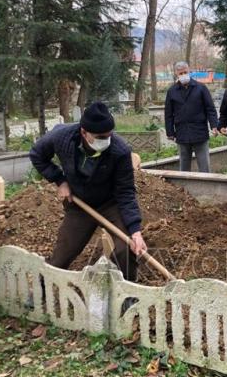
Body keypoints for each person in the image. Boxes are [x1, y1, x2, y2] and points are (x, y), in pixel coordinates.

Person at [29, 101, 146, 281]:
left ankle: (126, 291)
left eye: (109, 135)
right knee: (62, 254)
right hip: (80, 204)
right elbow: (37, 155)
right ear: (84, 132)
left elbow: (126, 192)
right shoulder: (62, 137)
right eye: (100, 136)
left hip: (110, 203)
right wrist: (60, 181)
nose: (106, 140)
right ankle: (41, 289)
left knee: (126, 247)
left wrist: (135, 231)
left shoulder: (119, 150)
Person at [164, 61, 219, 172]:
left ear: (189, 71)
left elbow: (210, 109)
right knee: (184, 166)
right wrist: (170, 132)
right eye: (181, 73)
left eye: (185, 72)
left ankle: (206, 186)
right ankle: (185, 188)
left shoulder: (201, 88)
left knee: (204, 166)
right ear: (176, 74)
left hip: (200, 132)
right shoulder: (172, 91)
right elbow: (168, 113)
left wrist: (214, 125)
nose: (183, 75)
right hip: (182, 133)